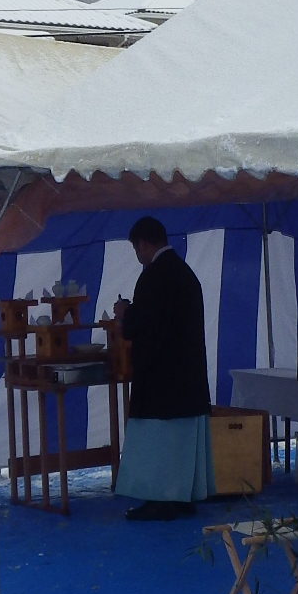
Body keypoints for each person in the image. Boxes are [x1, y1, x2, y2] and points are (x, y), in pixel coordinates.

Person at [112, 216, 214, 520]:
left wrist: (124, 314)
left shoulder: (154, 277)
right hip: (188, 375)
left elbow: (142, 325)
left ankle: (160, 499)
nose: (138, 256)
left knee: (159, 440)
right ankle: (182, 496)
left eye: (137, 249)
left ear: (144, 244)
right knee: (182, 441)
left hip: (161, 376)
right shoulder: (185, 273)